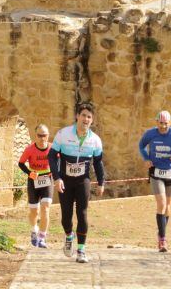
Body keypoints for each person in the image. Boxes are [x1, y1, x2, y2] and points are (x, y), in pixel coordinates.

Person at [48, 102, 105, 263]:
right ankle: (69, 235)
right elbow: (52, 156)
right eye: (83, 115)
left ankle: (81, 250)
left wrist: (101, 182)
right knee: (66, 216)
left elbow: (98, 162)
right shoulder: (63, 134)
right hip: (65, 180)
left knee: (82, 213)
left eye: (89, 117)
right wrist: (57, 178)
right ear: (77, 116)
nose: (86, 119)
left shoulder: (95, 140)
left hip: (83, 180)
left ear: (92, 120)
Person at [137, 110, 171, 253]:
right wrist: (146, 158)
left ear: (170, 123)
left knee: (168, 206)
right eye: (161, 123)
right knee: (162, 204)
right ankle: (163, 239)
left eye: (166, 124)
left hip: (170, 172)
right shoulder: (151, 134)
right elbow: (141, 145)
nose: (163, 126)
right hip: (156, 172)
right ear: (156, 122)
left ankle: (161, 231)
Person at [17, 124, 54, 248]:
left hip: (48, 180)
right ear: (35, 136)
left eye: (44, 135)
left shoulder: (52, 148)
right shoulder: (29, 149)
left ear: (48, 136)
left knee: (46, 208)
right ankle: (34, 230)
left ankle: (42, 237)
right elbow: (21, 163)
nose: (42, 138)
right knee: (34, 211)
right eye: (39, 135)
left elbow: (59, 161)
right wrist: (29, 173)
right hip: (33, 181)